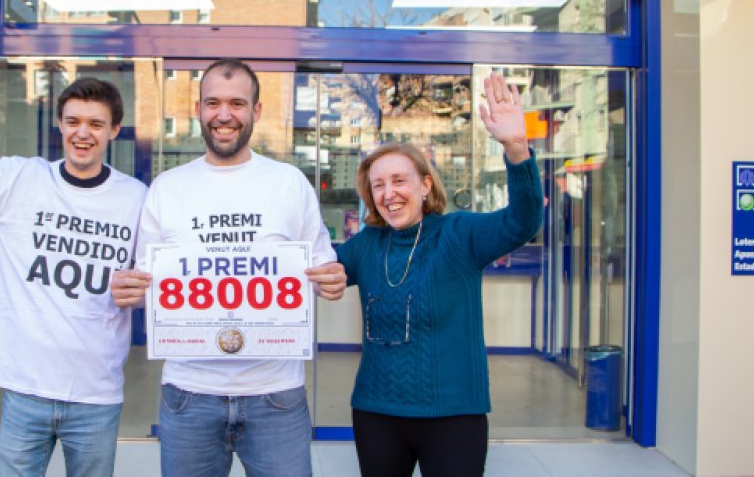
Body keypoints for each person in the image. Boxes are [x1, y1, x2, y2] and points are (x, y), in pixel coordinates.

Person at [0, 19, 146, 477]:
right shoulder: (19, 180)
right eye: (73, 121)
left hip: (96, 393)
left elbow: (158, 278)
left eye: (96, 124)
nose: (83, 133)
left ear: (114, 130)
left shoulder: (136, 198)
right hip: (25, 388)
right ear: (59, 124)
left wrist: (143, 290)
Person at [110, 59, 348, 477]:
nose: (224, 115)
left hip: (276, 394)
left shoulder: (289, 182)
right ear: (198, 110)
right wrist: (131, 288)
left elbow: (321, 264)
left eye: (237, 103)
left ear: (256, 111)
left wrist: (331, 278)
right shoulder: (168, 187)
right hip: (189, 394)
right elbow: (148, 279)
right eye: (213, 103)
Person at [335, 70, 544, 477]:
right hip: (377, 413)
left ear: (426, 185)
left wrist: (516, 146)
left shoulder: (458, 234)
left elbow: (523, 220)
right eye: (378, 185)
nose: (388, 193)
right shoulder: (366, 245)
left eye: (399, 180)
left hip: (454, 415)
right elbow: (321, 271)